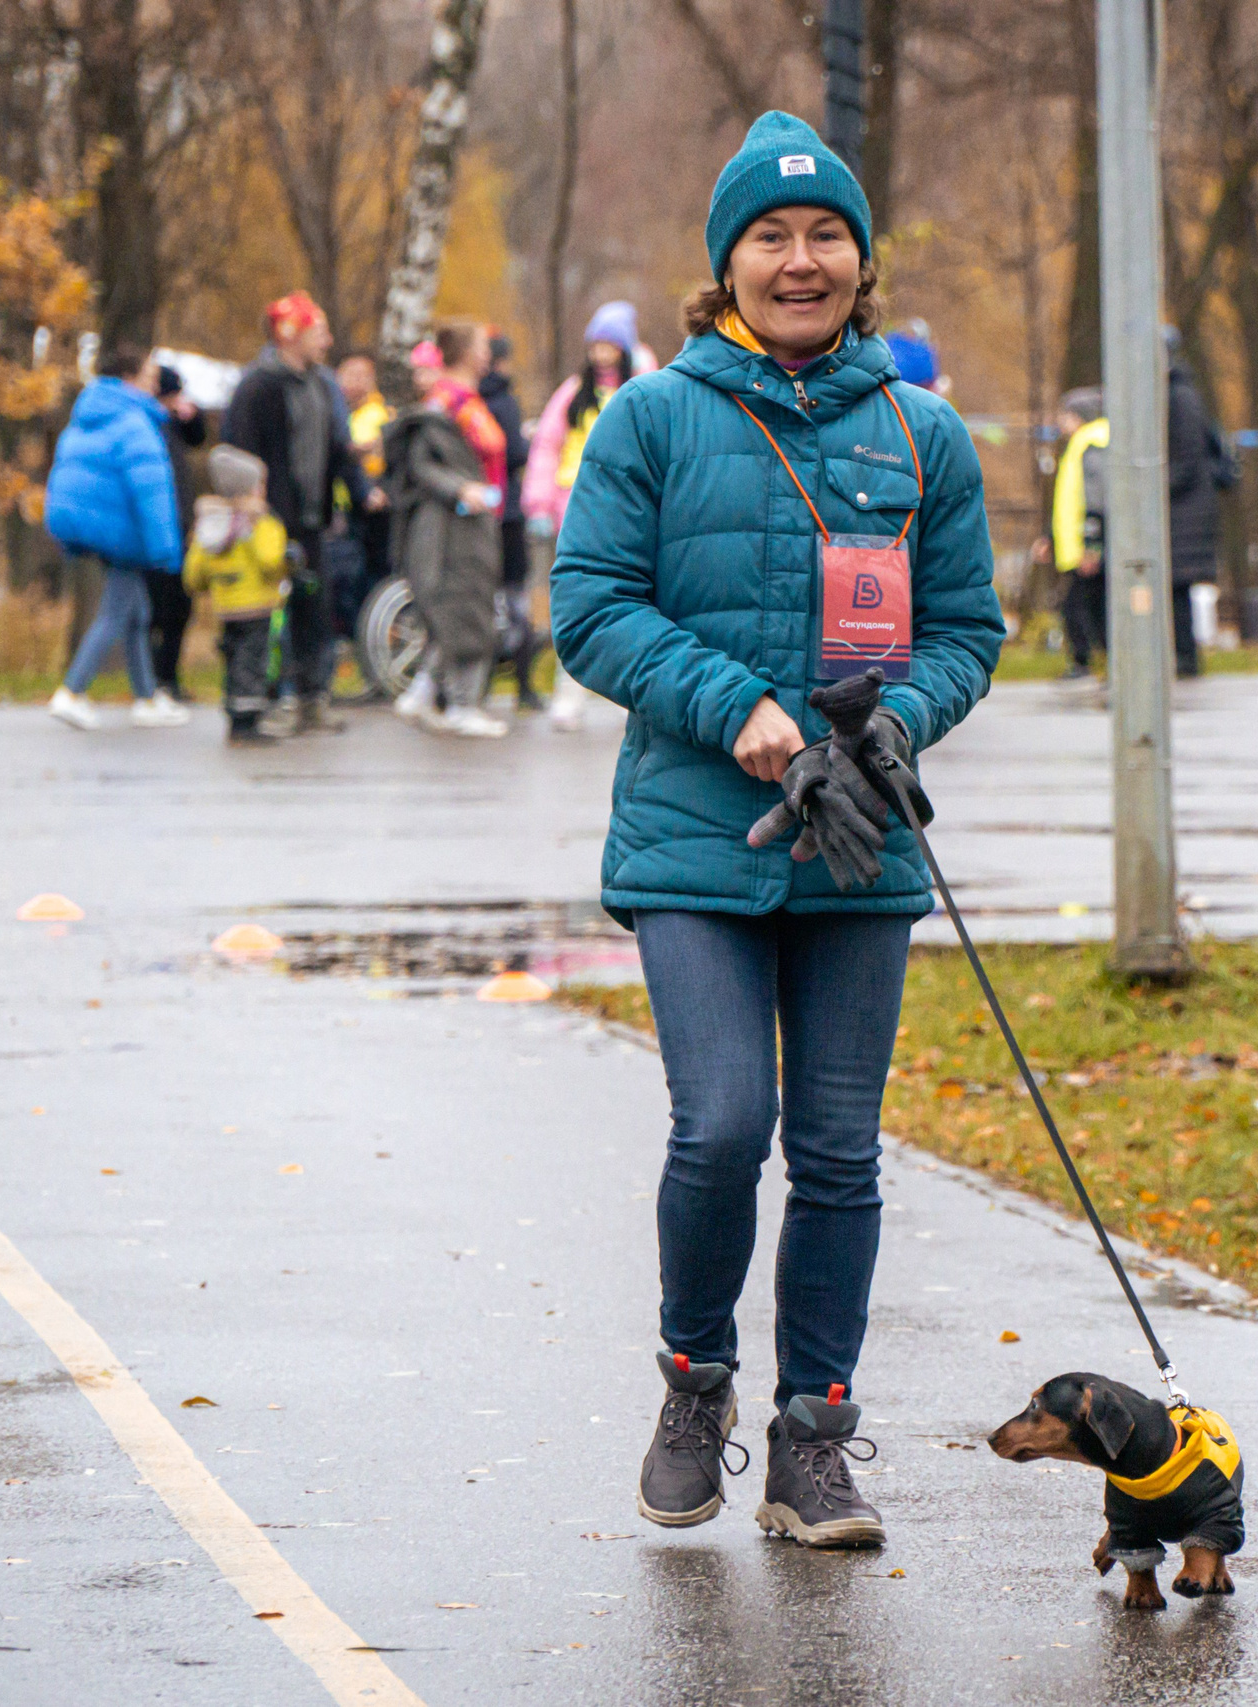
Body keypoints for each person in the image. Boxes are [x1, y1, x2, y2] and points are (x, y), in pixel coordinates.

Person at [550, 110, 1003, 1550]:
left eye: (824, 237)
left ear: (860, 264)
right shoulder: (652, 419)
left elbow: (970, 631)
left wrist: (901, 719)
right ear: (726, 264)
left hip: (859, 843)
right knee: (723, 1122)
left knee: (839, 1148)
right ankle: (697, 1382)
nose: (799, 260)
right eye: (771, 236)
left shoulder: (925, 436)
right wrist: (737, 705)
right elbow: (590, 607)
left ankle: (817, 1438)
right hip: (697, 834)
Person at [221, 290, 380, 732]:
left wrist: (357, 478)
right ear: (290, 335)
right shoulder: (258, 386)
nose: (326, 342)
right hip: (268, 521)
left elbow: (333, 446)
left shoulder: (319, 384)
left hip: (312, 520)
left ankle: (312, 698)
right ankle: (264, 700)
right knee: (262, 616)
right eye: (318, 331)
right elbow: (240, 452)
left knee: (314, 609)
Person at [526, 302, 659, 732]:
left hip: (629, 514)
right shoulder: (572, 394)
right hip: (576, 512)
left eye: (611, 345)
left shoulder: (643, 389)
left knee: (635, 606)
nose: (602, 354)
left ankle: (631, 699)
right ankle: (568, 697)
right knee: (581, 605)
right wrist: (539, 502)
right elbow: (547, 446)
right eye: (596, 345)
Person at [43, 343, 190, 731]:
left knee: (137, 613)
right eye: (150, 378)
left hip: (96, 526)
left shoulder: (91, 413)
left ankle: (146, 698)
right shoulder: (134, 421)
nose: (155, 386)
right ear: (130, 378)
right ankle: (71, 692)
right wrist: (164, 547)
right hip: (122, 533)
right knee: (114, 613)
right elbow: (150, 489)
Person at [384, 321, 510, 738]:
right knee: (464, 607)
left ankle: (423, 694)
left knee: (460, 611)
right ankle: (462, 704)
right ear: (464, 353)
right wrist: (462, 488)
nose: (488, 352)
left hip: (475, 522)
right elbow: (421, 466)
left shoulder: (467, 400)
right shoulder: (444, 403)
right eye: (481, 344)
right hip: (454, 526)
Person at [184, 445, 292, 745]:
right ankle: (247, 724)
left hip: (225, 606)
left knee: (233, 661)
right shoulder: (260, 523)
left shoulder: (211, 524)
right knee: (253, 663)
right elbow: (271, 562)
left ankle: (234, 715)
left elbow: (194, 573)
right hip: (257, 605)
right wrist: (287, 563)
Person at [1164, 334, 1238, 679]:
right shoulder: (1179, 395)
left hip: (1185, 512)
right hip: (1186, 509)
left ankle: (1185, 657)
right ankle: (1181, 655)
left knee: (1177, 589)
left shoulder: (1180, 399)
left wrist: (1151, 490)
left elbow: (1187, 459)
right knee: (1174, 589)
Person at [478, 331, 542, 712]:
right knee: (517, 599)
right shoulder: (504, 401)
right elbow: (515, 454)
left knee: (483, 599)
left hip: (476, 514)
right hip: (509, 513)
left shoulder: (467, 401)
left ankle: (481, 681)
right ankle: (523, 686)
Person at [146, 363, 209, 699]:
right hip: (155, 530)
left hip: (179, 527)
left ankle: (167, 677)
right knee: (154, 609)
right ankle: (152, 679)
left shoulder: (171, 424)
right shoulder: (146, 425)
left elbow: (198, 438)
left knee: (180, 607)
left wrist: (190, 415)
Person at [330, 351, 394, 659]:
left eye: (361, 376)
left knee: (371, 576)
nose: (354, 382)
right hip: (344, 509)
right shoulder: (338, 413)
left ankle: (374, 644)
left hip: (373, 509)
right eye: (349, 375)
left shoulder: (380, 415)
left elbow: (381, 457)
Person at [1048, 388, 1109, 679]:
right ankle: (1097, 660)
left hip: (1088, 547)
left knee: (1078, 606)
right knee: (1088, 605)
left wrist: (1092, 545)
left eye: (1066, 415)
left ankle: (1084, 661)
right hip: (1080, 544)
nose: (1061, 422)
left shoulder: (1092, 444)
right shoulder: (1082, 444)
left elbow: (1096, 499)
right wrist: (1051, 538)